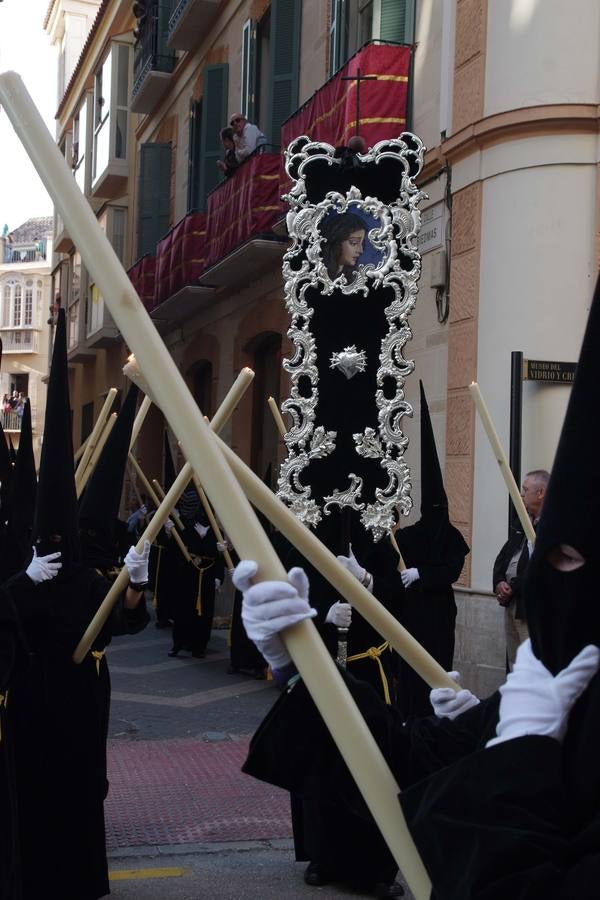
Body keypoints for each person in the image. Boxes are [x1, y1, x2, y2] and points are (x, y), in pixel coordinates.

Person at [236, 272, 600, 899]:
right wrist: (303, 664)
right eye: (560, 558)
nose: (567, 582)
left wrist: (518, 758)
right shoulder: (545, 677)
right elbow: (394, 761)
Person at [393, 382, 469, 720]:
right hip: (414, 612)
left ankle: (435, 716)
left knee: (438, 665)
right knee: (411, 671)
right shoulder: (408, 536)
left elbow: (452, 572)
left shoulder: (451, 537)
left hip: (439, 613)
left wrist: (422, 573)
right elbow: (393, 558)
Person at [493, 469, 548, 668]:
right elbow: (503, 558)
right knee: (515, 665)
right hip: (511, 604)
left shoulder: (550, 528)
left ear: (540, 493)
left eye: (525, 491)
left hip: (530, 607)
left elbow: (540, 569)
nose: (522, 496)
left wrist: (513, 587)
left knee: (531, 665)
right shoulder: (521, 524)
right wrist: (499, 582)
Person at [320, 211, 366, 280]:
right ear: (336, 243)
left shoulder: (354, 277)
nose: (361, 251)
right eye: (354, 243)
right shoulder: (319, 274)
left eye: (362, 243)